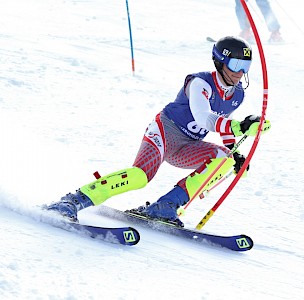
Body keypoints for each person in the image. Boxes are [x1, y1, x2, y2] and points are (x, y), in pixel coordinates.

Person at [46, 36, 271, 227]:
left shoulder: (237, 94)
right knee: (140, 176)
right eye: (235, 65)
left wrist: (236, 153)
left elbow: (223, 123)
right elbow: (205, 118)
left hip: (188, 146)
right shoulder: (200, 83)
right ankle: (76, 200)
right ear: (220, 62)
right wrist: (238, 126)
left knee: (225, 160)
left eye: (246, 67)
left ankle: (165, 206)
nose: (240, 73)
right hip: (165, 133)